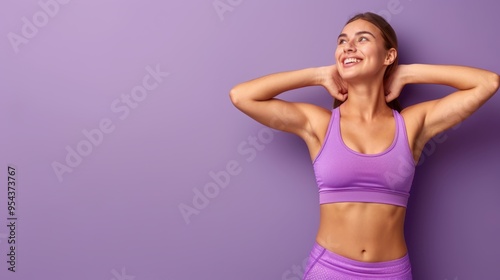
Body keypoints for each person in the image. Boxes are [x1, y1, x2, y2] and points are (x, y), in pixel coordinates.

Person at [229, 12, 499, 280]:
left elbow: (488, 83)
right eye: (342, 41)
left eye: (362, 39)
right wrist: (318, 75)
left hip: (391, 273)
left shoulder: (411, 124)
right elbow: (241, 96)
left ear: (388, 56)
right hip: (330, 270)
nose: (349, 46)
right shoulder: (320, 124)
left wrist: (409, 73)